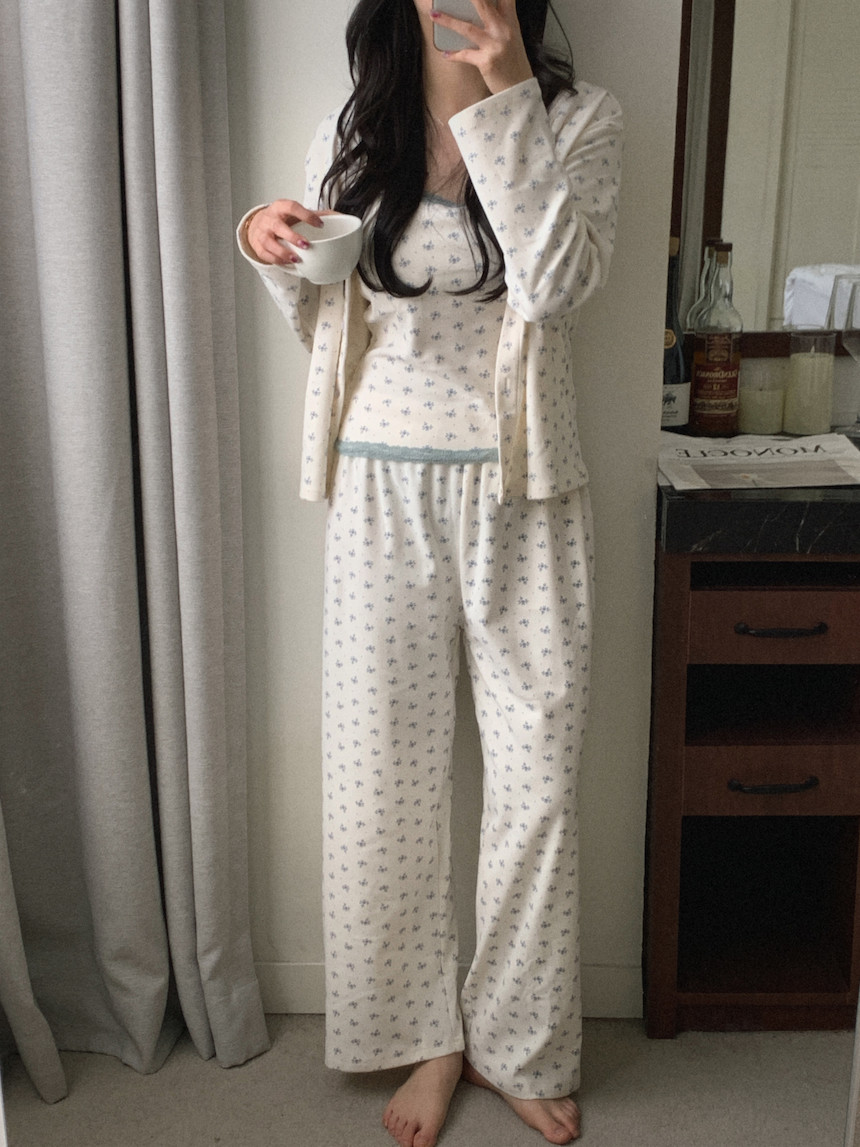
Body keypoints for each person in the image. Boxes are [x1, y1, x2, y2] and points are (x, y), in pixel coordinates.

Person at [237, 2, 622, 1143]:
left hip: (529, 490)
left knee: (538, 784)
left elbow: (558, 284)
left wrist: (506, 100)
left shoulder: (578, 119)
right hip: (380, 487)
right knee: (379, 780)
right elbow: (323, 310)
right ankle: (426, 1037)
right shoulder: (357, 128)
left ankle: (517, 1041)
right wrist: (267, 240)